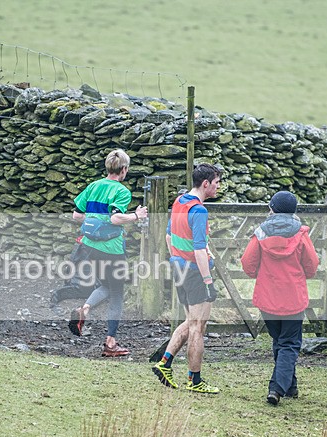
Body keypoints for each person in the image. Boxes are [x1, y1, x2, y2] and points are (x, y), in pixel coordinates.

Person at [240, 191, 319, 405]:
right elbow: (311, 266)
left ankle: (290, 386)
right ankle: (277, 387)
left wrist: (262, 273)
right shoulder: (301, 234)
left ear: (272, 209)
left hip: (267, 297)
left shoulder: (261, 233)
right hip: (293, 297)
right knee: (289, 344)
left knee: (281, 341)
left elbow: (248, 263)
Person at [67, 149, 147, 356]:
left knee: (105, 285)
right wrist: (136, 216)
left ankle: (84, 309)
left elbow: (76, 215)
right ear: (124, 169)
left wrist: (94, 222)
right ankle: (110, 343)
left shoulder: (93, 186)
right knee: (117, 293)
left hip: (89, 247)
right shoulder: (122, 191)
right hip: (111, 249)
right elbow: (115, 218)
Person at [152, 163, 221, 393]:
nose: (218, 187)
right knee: (198, 327)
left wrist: (177, 260)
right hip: (195, 273)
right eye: (216, 182)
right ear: (205, 184)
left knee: (191, 321)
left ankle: (164, 364)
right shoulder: (199, 211)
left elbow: (169, 235)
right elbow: (200, 249)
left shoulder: (179, 201)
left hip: (179, 269)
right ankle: (195, 380)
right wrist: (208, 281)